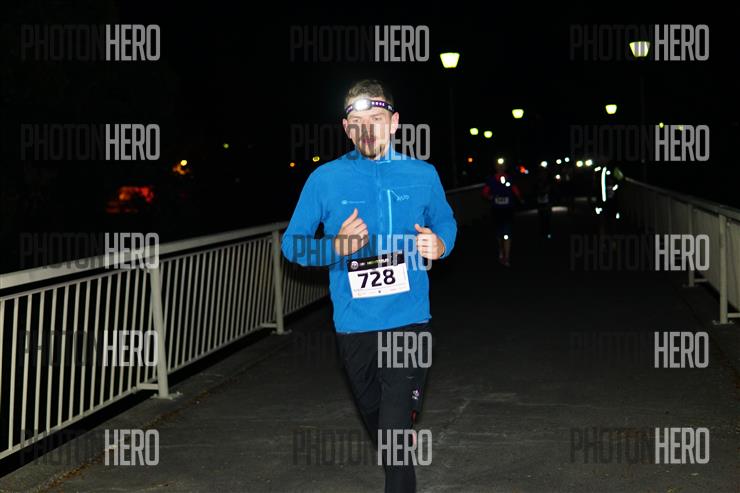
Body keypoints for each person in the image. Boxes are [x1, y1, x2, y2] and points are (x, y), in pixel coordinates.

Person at [281, 79, 457, 493]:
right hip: (355, 325)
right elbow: (292, 244)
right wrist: (335, 247)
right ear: (347, 129)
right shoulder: (324, 179)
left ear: (394, 123)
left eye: (377, 119)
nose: (367, 130)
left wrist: (441, 243)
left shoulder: (423, 174)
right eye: (357, 123)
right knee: (382, 425)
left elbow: (445, 220)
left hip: (409, 320)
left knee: (393, 436)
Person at [482, 160, 521, 266]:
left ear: (505, 167)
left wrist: (520, 198)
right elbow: (485, 192)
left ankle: (507, 257)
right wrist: (489, 197)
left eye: (502, 166)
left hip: (508, 210)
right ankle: (501, 249)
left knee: (507, 233)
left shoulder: (510, 178)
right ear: (495, 167)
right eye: (498, 166)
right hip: (497, 210)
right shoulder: (491, 180)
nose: (500, 168)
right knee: (499, 234)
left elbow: (515, 190)